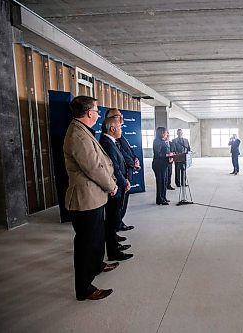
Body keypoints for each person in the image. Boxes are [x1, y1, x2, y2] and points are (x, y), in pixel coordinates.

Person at [63, 96, 117, 301]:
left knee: (96, 238)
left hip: (94, 197)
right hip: (85, 199)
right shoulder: (78, 134)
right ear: (88, 113)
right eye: (96, 110)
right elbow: (94, 167)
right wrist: (111, 186)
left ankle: (97, 265)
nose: (98, 114)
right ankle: (84, 289)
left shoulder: (83, 130)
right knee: (86, 244)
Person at [99, 117, 134, 262]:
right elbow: (114, 167)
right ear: (112, 129)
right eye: (119, 127)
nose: (121, 129)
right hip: (115, 186)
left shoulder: (112, 142)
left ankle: (115, 245)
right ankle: (113, 252)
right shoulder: (107, 143)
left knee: (114, 219)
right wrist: (123, 181)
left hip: (119, 185)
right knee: (112, 220)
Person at [104, 108, 138, 232]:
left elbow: (127, 151)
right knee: (115, 208)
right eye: (118, 116)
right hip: (119, 179)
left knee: (122, 205)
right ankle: (115, 227)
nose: (121, 117)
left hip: (126, 174)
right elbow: (117, 160)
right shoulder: (111, 138)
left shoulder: (120, 134)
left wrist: (134, 159)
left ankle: (119, 223)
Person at [152, 127, 174, 205]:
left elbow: (166, 151)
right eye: (165, 132)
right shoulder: (157, 141)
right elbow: (158, 154)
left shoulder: (164, 141)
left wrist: (170, 155)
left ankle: (164, 197)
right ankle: (160, 200)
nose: (166, 134)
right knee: (160, 182)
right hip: (158, 165)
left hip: (165, 164)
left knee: (164, 182)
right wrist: (168, 155)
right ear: (161, 133)